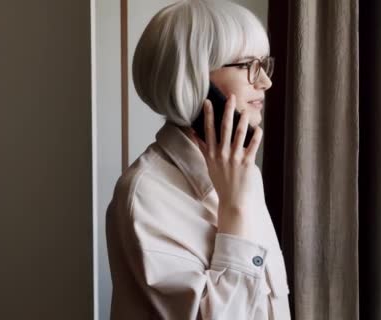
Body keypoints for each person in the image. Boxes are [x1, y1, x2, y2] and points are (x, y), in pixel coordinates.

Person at [105, 0, 291, 319]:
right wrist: (234, 208)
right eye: (249, 66)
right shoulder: (145, 195)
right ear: (193, 77)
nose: (265, 82)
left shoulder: (242, 171)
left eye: (265, 65)